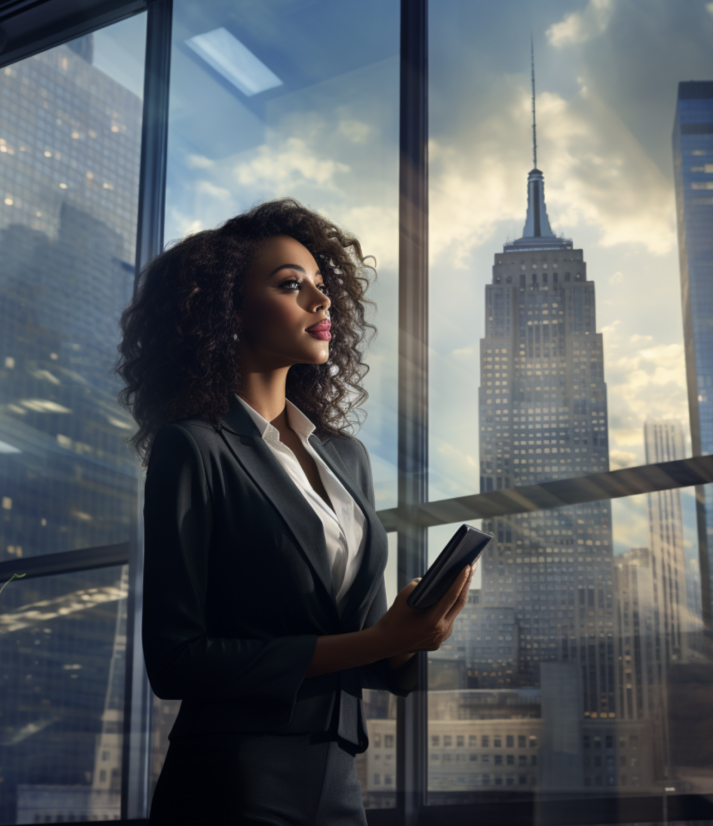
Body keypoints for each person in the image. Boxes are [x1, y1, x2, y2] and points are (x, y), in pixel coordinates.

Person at [115, 198, 475, 825]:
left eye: (322, 285)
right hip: (232, 778)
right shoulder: (194, 447)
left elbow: (359, 637)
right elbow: (175, 660)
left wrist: (410, 637)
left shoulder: (347, 458)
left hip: (337, 775)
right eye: (291, 285)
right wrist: (379, 639)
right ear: (228, 308)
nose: (322, 300)